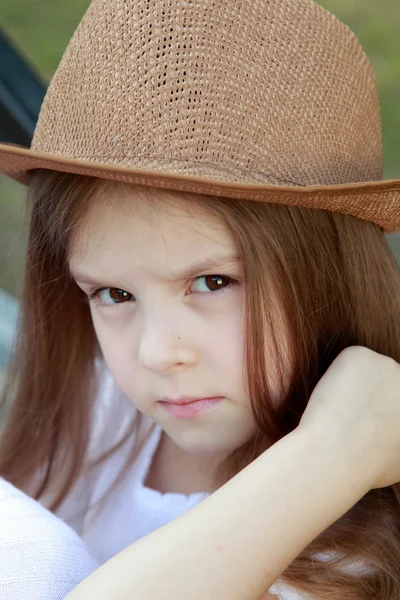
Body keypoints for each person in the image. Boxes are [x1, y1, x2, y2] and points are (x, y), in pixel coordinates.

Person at [0, 0, 399, 598]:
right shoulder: (92, 415)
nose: (158, 353)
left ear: (327, 271)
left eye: (212, 283)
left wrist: (334, 458)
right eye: (113, 293)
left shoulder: (352, 556)